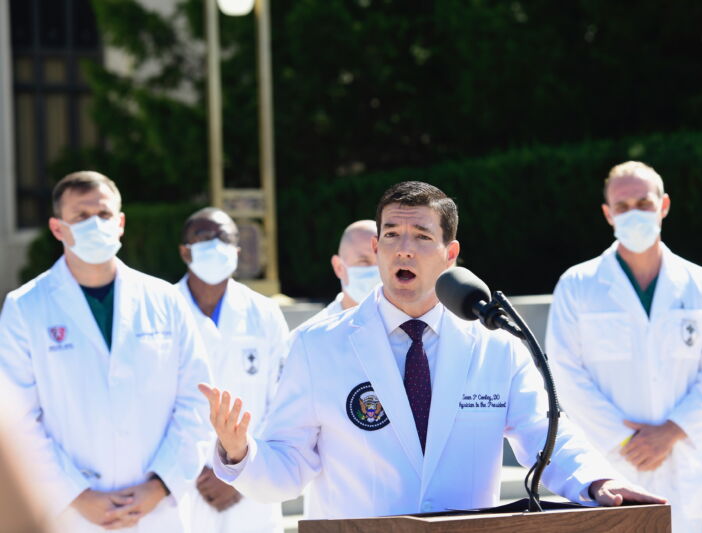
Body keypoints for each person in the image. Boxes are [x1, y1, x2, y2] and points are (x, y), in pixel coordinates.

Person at [200, 180, 665, 519]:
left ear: (450, 253)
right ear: (378, 248)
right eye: (391, 236)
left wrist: (598, 481)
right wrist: (241, 453)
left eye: (421, 237)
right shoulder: (318, 347)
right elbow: (287, 470)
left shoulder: (496, 345)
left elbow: (548, 437)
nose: (404, 249)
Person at [0, 171, 211, 532]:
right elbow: (17, 420)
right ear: (57, 229)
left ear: (121, 222)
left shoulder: (165, 301)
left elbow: (197, 400)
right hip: (70, 513)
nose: (95, 225)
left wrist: (159, 485)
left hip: (157, 511)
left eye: (104, 215)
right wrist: (77, 495)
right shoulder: (25, 307)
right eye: (81, 217)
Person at [545, 161, 702, 533]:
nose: (634, 214)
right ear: (608, 214)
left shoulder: (701, 284)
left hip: (686, 462)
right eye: (623, 206)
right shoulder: (577, 285)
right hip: (611, 463)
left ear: (663, 205)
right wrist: (626, 438)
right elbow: (566, 376)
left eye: (644, 203)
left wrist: (671, 431)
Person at [176, 207, 290, 533]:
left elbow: (281, 401)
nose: (216, 245)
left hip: (252, 481)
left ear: (237, 251)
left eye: (224, 237)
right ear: (185, 251)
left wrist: (237, 471)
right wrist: (197, 467)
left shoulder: (265, 313)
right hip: (185, 481)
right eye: (205, 237)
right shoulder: (162, 309)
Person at [301, 219, 379, 326]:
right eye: (364, 261)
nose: (377, 269)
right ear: (339, 267)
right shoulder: (310, 337)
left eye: (381, 261)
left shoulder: (407, 328)